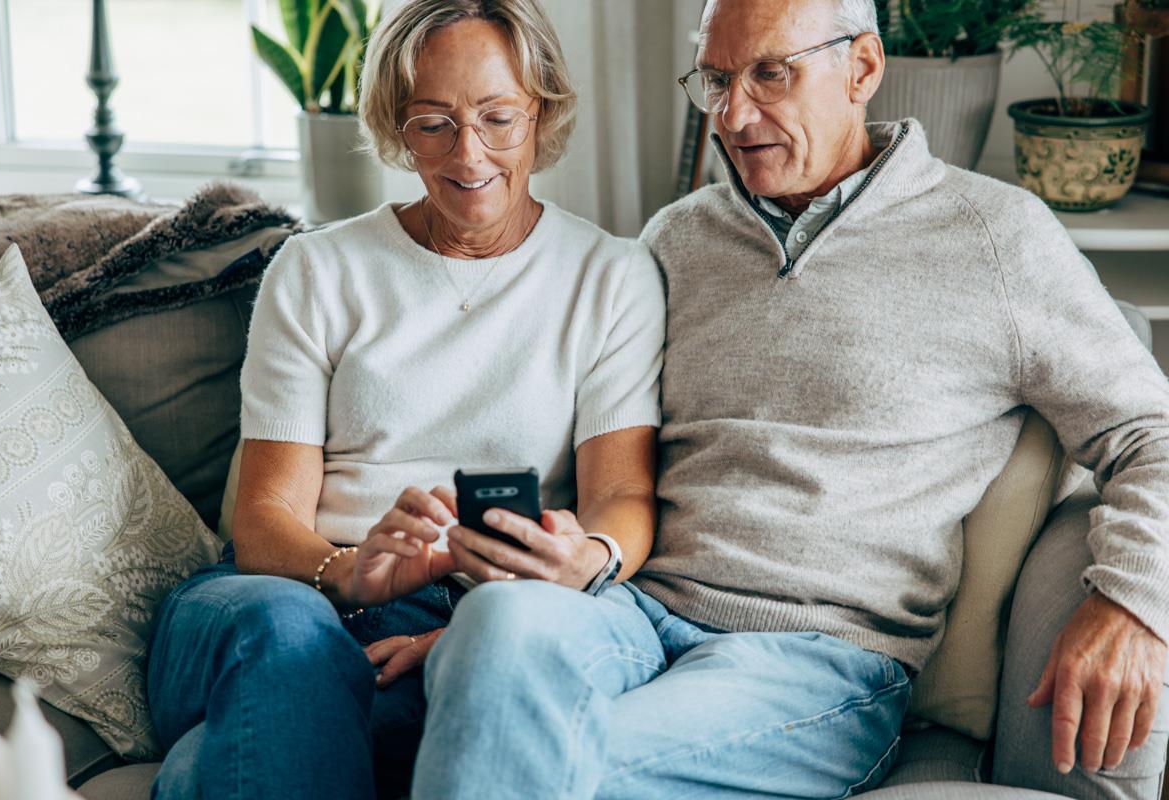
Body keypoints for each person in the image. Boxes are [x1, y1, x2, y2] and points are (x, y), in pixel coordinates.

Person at [407, 0, 1169, 798]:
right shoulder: (674, 240)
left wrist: (1132, 601)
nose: (733, 115)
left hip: (820, 663)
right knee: (491, 634)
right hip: (630, 613)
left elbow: (1148, 432)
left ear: (863, 69)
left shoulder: (996, 237)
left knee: (571, 764)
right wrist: (482, 653)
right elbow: (604, 457)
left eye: (770, 73)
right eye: (716, 80)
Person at [142, 1, 665, 797]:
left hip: (457, 626)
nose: (469, 154)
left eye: (498, 118)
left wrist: (515, 609)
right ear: (396, 124)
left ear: (542, 112)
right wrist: (351, 572)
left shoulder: (611, 278)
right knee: (291, 637)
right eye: (433, 123)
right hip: (282, 599)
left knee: (196, 773)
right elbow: (262, 524)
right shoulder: (316, 269)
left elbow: (623, 497)